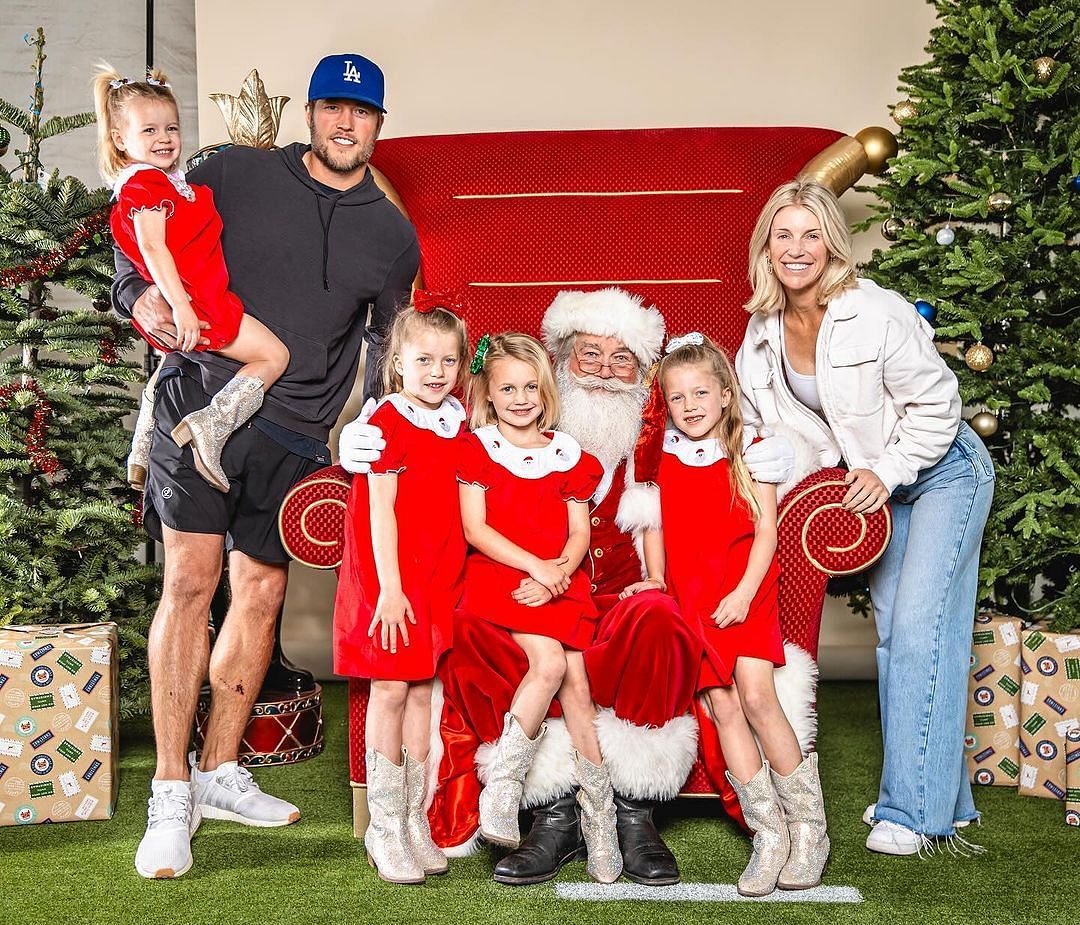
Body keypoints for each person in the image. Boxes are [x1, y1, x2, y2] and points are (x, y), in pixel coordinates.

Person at [339, 287, 797, 885]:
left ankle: (632, 805)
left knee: (656, 620)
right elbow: (425, 454)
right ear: (562, 361)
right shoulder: (480, 424)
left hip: (617, 590)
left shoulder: (660, 432)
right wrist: (352, 442)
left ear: (644, 374)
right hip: (515, 583)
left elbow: (728, 443)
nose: (605, 370)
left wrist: (782, 451)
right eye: (589, 355)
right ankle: (550, 807)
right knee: (483, 630)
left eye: (622, 358)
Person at [111, 53, 419, 879]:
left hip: (293, 437)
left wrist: (368, 438)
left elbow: (391, 351)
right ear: (310, 113)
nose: (344, 124)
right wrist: (131, 295)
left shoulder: (393, 236)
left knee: (261, 593)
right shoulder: (231, 171)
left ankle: (217, 767)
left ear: (379, 125)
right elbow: (144, 232)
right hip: (198, 406)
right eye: (330, 108)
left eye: (361, 113)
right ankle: (170, 792)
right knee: (189, 581)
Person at [736, 178, 994, 856]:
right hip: (868, 491)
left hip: (941, 471)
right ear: (767, 245)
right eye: (783, 234)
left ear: (831, 242)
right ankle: (949, 798)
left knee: (917, 632)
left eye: (810, 234)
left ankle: (911, 813)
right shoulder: (760, 335)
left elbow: (940, 405)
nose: (797, 248)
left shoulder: (873, 311)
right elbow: (765, 433)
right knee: (893, 641)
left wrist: (888, 470)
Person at [623, 333, 828, 895]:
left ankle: (809, 828)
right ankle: (770, 834)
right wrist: (659, 581)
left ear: (725, 394)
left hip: (744, 590)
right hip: (692, 597)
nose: (689, 407)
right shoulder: (660, 455)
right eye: (677, 397)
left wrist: (742, 593)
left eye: (700, 393)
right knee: (721, 703)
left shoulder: (754, 450)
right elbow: (656, 525)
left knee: (758, 697)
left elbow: (766, 530)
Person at [457, 332, 619, 884]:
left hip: (558, 581)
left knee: (577, 683)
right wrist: (536, 570)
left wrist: (557, 576)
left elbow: (578, 534)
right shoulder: (477, 449)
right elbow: (475, 529)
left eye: (530, 387)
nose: (521, 398)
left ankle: (601, 820)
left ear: (545, 390)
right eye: (508, 388)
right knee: (550, 664)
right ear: (490, 393)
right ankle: (502, 790)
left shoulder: (568, 455)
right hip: (502, 578)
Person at [95, 65, 290, 492]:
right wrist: (182, 306)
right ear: (120, 140)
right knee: (273, 357)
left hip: (195, 297)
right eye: (149, 130)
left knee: (174, 359)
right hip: (198, 304)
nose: (164, 138)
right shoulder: (146, 185)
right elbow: (151, 248)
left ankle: (144, 440)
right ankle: (211, 428)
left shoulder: (165, 182)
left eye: (171, 127)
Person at [334, 297, 468, 885]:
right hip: (392, 579)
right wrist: (390, 589)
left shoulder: (456, 420)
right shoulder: (386, 422)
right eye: (424, 359)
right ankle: (385, 828)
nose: (436, 371)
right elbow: (380, 513)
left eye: (449, 360)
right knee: (390, 690)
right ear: (397, 363)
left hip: (438, 577)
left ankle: (415, 819)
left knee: (423, 694)